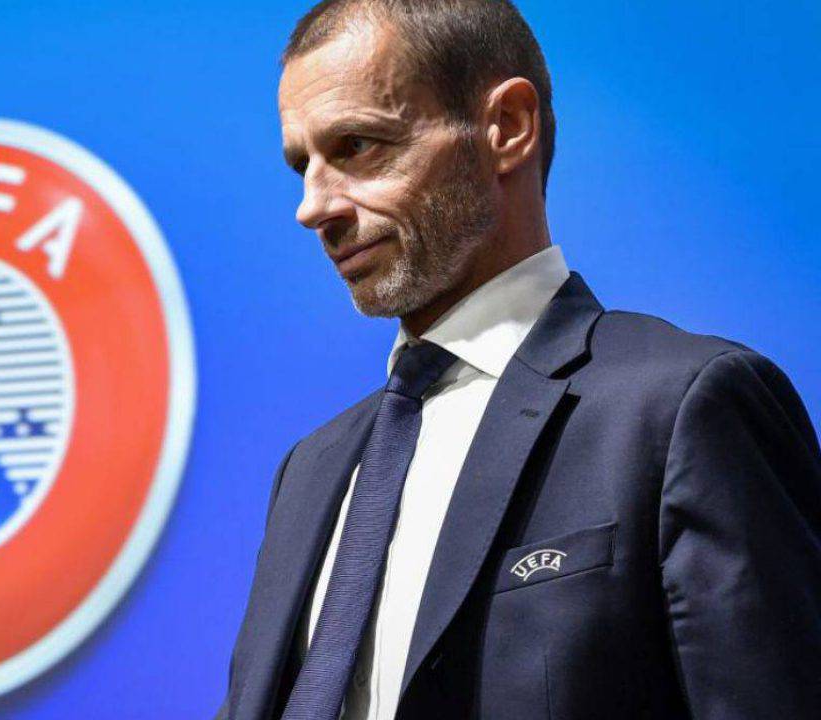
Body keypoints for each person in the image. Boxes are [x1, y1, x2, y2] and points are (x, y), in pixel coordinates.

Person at [215, 1, 821, 718]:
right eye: (302, 165)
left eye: (356, 146)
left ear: (507, 127)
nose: (313, 207)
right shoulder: (310, 472)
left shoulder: (680, 408)